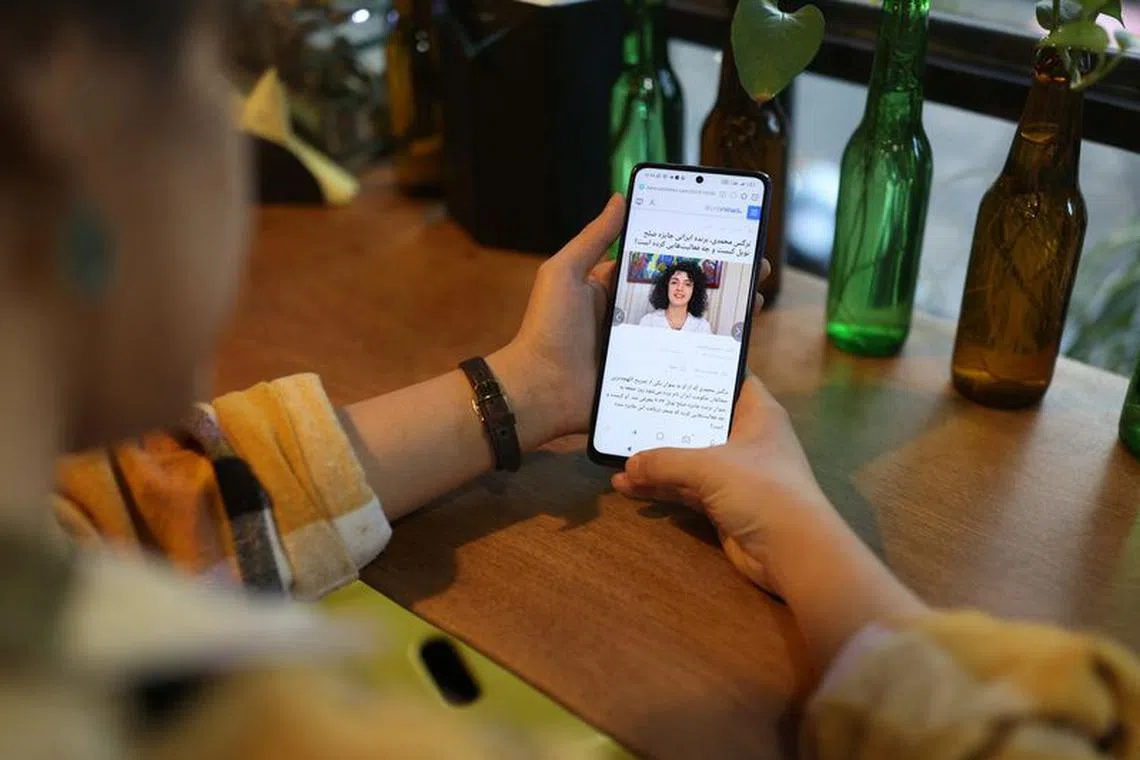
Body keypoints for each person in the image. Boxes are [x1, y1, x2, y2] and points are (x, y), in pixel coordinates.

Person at [4, 3, 1140, 759]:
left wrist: (526, 389)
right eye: (221, 73)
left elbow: (132, 513)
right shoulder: (243, 722)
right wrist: (807, 529)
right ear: (77, 133)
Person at [638, 261, 713, 333]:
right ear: (666, 287)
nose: (679, 288)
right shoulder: (648, 321)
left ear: (694, 291)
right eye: (674, 282)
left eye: (687, 284)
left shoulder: (702, 327)